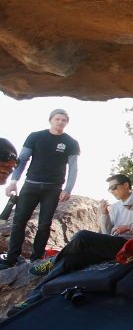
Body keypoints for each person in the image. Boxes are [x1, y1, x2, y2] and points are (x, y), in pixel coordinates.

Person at [8, 174, 133, 315]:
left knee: (83, 236)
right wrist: (104, 214)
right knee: (67, 261)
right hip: (112, 246)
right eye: (109, 189)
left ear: (126, 185)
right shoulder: (115, 207)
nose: (111, 191)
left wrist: (130, 227)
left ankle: (53, 260)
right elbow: (106, 231)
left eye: (114, 187)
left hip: (131, 246)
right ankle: (31, 300)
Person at [1, 110, 80, 268]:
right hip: (31, 184)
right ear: (51, 120)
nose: (60, 122)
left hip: (53, 187)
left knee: (45, 224)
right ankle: (11, 258)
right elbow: (22, 160)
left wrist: (68, 189)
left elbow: (73, 168)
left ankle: (36, 259)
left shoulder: (71, 142)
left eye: (64, 120)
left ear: (67, 122)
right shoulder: (35, 136)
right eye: (57, 119)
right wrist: (14, 181)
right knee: (19, 221)